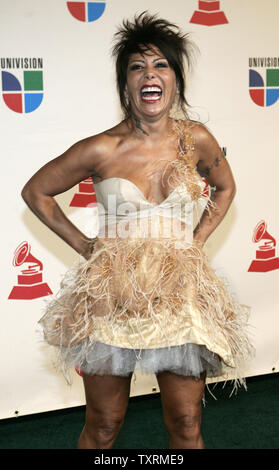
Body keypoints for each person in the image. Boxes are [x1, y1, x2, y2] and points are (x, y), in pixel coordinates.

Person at [21, 12, 253, 450]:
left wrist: (197, 241)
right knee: (104, 424)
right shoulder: (101, 147)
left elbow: (225, 187)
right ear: (125, 85)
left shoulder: (196, 139)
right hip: (113, 294)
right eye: (137, 67)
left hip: (180, 292)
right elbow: (37, 192)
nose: (149, 74)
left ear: (175, 80)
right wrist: (88, 247)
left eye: (161, 65)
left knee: (186, 422)